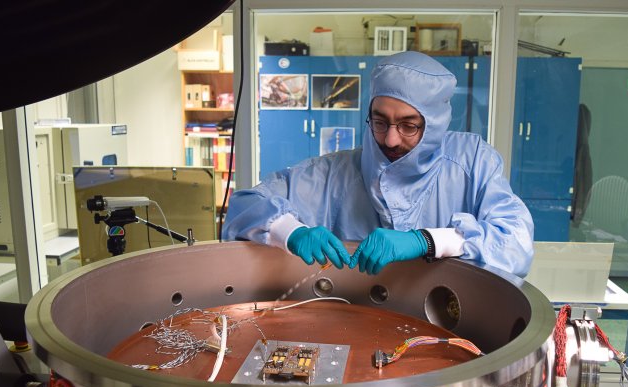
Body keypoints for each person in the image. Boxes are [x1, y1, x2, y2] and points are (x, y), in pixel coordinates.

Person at [222, 51, 534, 276]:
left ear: (436, 124)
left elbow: (515, 245)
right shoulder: (333, 173)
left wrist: (427, 240)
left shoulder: (472, 162)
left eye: (410, 126)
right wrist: (291, 231)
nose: (390, 140)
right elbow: (245, 205)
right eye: (380, 122)